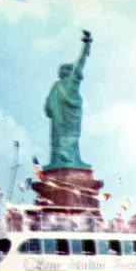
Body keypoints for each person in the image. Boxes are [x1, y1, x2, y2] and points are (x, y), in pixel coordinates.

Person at [43, 30, 93, 171]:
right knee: (71, 140)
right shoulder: (62, 85)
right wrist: (87, 45)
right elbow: (81, 64)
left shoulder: (58, 86)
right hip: (68, 123)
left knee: (62, 140)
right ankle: (71, 160)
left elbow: (47, 109)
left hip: (61, 124)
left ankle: (69, 160)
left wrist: (87, 46)